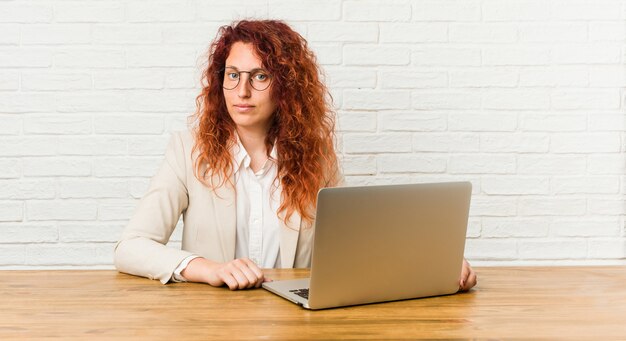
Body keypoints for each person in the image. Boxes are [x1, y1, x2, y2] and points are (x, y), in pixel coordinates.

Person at [114, 19, 477, 292]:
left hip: (295, 320)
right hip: (212, 320)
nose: (242, 90)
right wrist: (206, 268)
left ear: (285, 85)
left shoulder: (316, 158)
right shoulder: (187, 151)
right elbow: (130, 247)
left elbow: (357, 246)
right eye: (233, 74)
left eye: (259, 76)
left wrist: (434, 264)